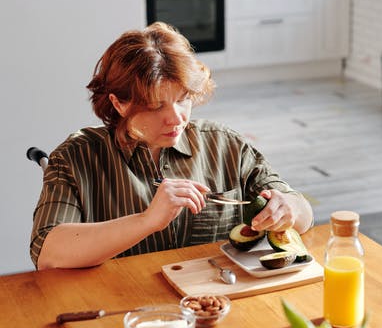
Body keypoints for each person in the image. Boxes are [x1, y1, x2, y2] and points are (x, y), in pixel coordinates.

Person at [31, 22, 313, 269]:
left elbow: (302, 212)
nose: (176, 118)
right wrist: (146, 221)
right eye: (156, 106)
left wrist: (289, 208)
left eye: (182, 99)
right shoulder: (75, 157)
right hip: (125, 312)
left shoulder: (224, 145)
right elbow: (48, 252)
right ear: (119, 103)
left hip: (216, 303)